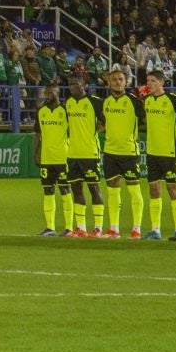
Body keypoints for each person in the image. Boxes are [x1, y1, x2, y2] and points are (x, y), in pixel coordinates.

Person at [140, 69, 176, 241]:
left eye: (153, 81)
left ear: (161, 82)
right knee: (153, 189)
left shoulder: (174, 100)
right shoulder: (147, 101)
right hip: (152, 152)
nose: (149, 84)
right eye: (148, 81)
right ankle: (155, 230)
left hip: (169, 152)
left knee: (172, 189)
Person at [98, 67, 143, 239]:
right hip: (110, 152)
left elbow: (146, 120)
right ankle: (114, 229)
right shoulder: (106, 102)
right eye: (114, 79)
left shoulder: (134, 101)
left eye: (120, 79)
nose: (117, 82)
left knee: (134, 190)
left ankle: (136, 229)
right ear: (109, 82)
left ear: (125, 82)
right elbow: (102, 125)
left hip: (129, 152)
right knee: (112, 191)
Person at [62, 74, 105, 238]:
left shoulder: (95, 102)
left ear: (84, 84)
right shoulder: (68, 103)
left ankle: (98, 227)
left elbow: (107, 121)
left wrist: (94, 132)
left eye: (76, 84)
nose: (72, 87)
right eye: (70, 84)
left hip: (90, 152)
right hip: (73, 153)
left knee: (94, 188)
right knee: (76, 189)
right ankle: (81, 227)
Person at [31, 83, 71, 236]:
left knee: (65, 191)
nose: (47, 95)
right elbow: (37, 134)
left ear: (57, 93)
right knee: (48, 191)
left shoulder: (65, 111)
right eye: (45, 93)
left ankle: (69, 228)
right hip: (47, 159)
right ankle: (50, 227)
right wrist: (35, 153)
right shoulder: (41, 111)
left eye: (50, 93)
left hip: (63, 158)